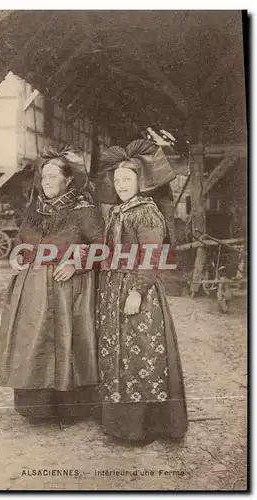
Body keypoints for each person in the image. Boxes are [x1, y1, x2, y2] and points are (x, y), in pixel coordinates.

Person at [0, 146, 103, 426]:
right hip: (32, 292)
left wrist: (75, 264)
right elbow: (22, 239)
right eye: (44, 176)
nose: (47, 181)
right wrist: (16, 254)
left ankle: (70, 410)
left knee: (67, 344)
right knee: (33, 343)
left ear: (68, 179)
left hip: (67, 291)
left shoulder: (83, 209)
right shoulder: (36, 208)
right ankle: (38, 409)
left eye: (53, 176)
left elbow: (101, 246)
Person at [95, 139, 188, 443]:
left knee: (143, 356)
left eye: (127, 179)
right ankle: (121, 425)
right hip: (115, 290)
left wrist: (137, 291)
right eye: (117, 180)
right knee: (119, 356)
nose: (121, 184)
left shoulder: (146, 212)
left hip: (138, 292)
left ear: (141, 182)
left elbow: (150, 256)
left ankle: (146, 427)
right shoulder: (119, 211)